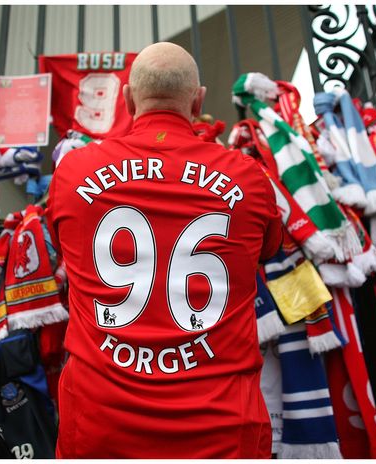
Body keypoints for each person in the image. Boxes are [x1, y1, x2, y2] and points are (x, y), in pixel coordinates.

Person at [46, 42, 282, 458]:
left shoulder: (72, 172)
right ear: (199, 100)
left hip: (100, 429)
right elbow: (269, 248)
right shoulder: (248, 177)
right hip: (223, 429)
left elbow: (65, 247)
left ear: (127, 97)